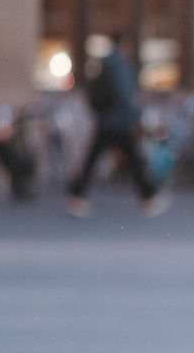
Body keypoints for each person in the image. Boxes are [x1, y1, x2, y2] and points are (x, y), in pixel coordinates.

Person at [66, 34, 169, 217]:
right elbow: (124, 95)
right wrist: (133, 117)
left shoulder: (105, 63)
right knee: (134, 160)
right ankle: (149, 196)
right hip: (119, 121)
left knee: (95, 159)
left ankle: (77, 194)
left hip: (106, 119)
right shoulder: (120, 65)